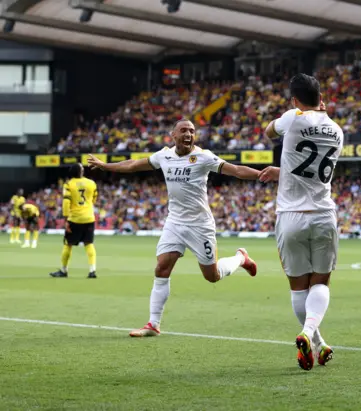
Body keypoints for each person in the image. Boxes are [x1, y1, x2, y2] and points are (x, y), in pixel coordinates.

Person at [87, 119, 260, 337]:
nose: (189, 134)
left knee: (212, 275)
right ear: (173, 135)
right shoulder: (163, 156)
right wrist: (105, 166)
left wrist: (260, 174)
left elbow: (235, 170)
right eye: (184, 130)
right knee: (161, 268)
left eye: (192, 131)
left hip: (200, 225)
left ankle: (241, 258)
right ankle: (153, 324)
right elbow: (132, 165)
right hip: (175, 222)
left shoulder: (203, 156)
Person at [259, 73, 342, 371]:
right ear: (321, 98)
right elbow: (313, 171)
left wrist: (292, 112)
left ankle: (311, 337)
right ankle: (314, 339)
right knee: (321, 281)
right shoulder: (337, 130)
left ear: (295, 100)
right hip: (323, 214)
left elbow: (268, 131)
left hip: (291, 216)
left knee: (298, 288)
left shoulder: (292, 118)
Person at [50, 164, 99, 279]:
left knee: (68, 244)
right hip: (89, 217)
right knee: (89, 243)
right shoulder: (91, 183)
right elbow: (94, 198)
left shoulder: (68, 184)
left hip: (75, 218)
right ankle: (92, 270)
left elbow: (66, 203)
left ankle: (63, 270)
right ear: (81, 171)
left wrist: (66, 219)